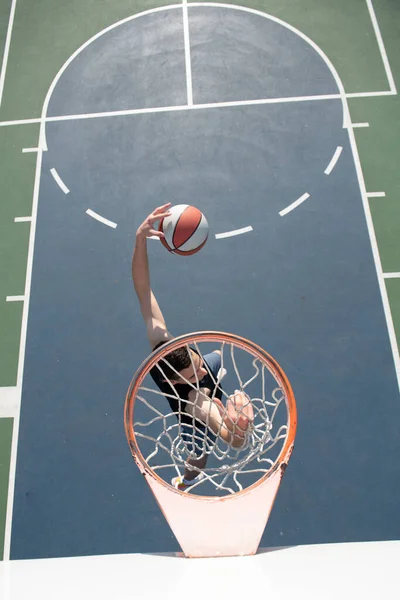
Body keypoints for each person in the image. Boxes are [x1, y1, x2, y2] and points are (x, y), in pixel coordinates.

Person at [132, 203, 253, 490]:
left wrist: (139, 238)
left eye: (195, 364)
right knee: (199, 456)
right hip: (200, 409)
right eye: (192, 375)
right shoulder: (193, 402)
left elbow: (143, 288)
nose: (198, 371)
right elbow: (230, 439)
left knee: (216, 358)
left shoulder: (164, 343)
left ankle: (211, 378)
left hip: (206, 387)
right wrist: (239, 426)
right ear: (174, 381)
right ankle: (186, 481)